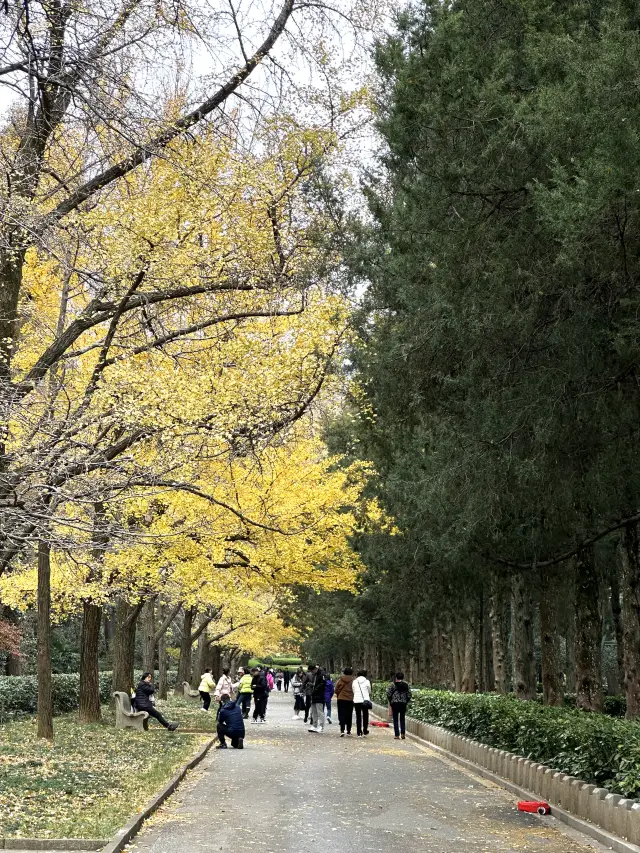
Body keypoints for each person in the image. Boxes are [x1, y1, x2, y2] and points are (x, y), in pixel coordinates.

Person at [386, 672, 412, 740]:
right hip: (403, 704)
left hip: (395, 703)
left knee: (395, 719)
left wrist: (391, 701)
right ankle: (403, 733)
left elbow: (388, 694)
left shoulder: (393, 685)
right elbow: (409, 694)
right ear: (403, 677)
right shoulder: (406, 685)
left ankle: (397, 735)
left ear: (396, 677)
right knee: (402, 718)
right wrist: (406, 701)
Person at [334, 667, 355, 736]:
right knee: (349, 714)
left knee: (341, 714)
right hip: (350, 699)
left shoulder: (340, 680)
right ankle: (348, 730)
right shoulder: (353, 681)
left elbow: (336, 690)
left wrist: (339, 694)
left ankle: (342, 730)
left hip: (341, 699)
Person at [353, 669, 372, 737]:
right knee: (365, 715)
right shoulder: (367, 681)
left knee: (358, 716)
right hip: (365, 700)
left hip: (357, 700)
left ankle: (359, 732)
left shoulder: (355, 681)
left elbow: (353, 690)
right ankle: (365, 730)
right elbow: (369, 691)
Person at [308, 665, 326, 733]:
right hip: (314, 695)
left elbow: (323, 683)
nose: (311, 673)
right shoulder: (314, 675)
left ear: (315, 669)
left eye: (312, 671)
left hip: (319, 695)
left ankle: (321, 726)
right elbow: (315, 683)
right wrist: (312, 685)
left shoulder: (322, 674)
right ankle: (314, 725)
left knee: (320, 711)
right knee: (314, 711)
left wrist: (316, 688)